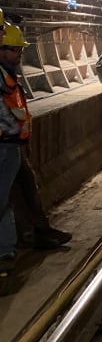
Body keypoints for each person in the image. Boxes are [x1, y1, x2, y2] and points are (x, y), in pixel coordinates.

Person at [1, 21, 30, 294]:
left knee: (3, 201)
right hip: (5, 145)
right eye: (15, 50)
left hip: (10, 146)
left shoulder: (8, 74)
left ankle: (6, 253)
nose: (19, 56)